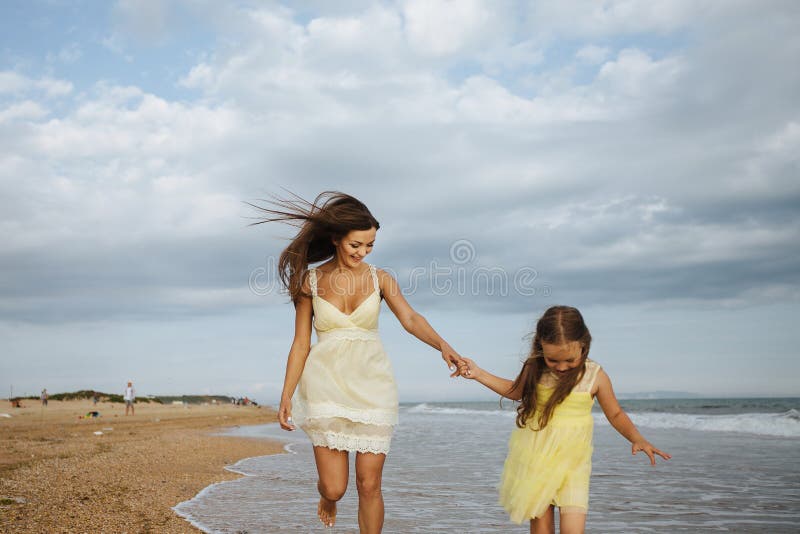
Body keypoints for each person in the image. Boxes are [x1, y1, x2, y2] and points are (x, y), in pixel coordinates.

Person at [252, 191, 463, 532]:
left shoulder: (381, 279)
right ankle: (326, 498)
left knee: (369, 485)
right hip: (325, 387)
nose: (362, 252)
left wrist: (443, 346)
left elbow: (410, 319)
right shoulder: (310, 282)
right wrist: (286, 394)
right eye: (356, 245)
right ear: (336, 239)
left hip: (373, 386)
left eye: (370, 246)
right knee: (335, 487)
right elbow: (301, 343)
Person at [458, 305, 670, 534]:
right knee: (541, 529)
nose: (561, 367)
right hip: (536, 459)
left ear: (583, 346)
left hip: (574, 465)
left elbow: (616, 413)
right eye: (552, 360)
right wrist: (478, 373)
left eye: (569, 360)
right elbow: (515, 391)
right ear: (541, 348)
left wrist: (636, 437)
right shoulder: (534, 368)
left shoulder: (594, 375)